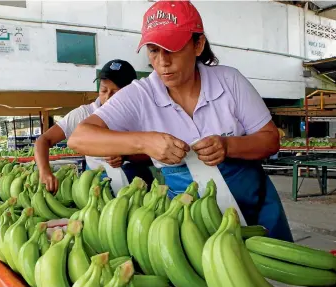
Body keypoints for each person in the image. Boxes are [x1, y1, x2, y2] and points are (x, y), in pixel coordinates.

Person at [68, 0, 292, 242]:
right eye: (154, 50)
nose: (163, 62)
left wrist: (228, 146)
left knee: (267, 271)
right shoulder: (140, 94)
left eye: (172, 48)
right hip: (192, 218)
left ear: (198, 44)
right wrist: (144, 143)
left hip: (254, 203)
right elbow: (80, 138)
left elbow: (270, 141)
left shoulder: (230, 81)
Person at [34, 59, 154, 193]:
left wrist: (127, 156)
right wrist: (44, 171)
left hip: (137, 183)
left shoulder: (142, 114)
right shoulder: (84, 114)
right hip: (94, 186)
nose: (108, 97)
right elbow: (43, 140)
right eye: (103, 90)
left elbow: (156, 154)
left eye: (116, 92)